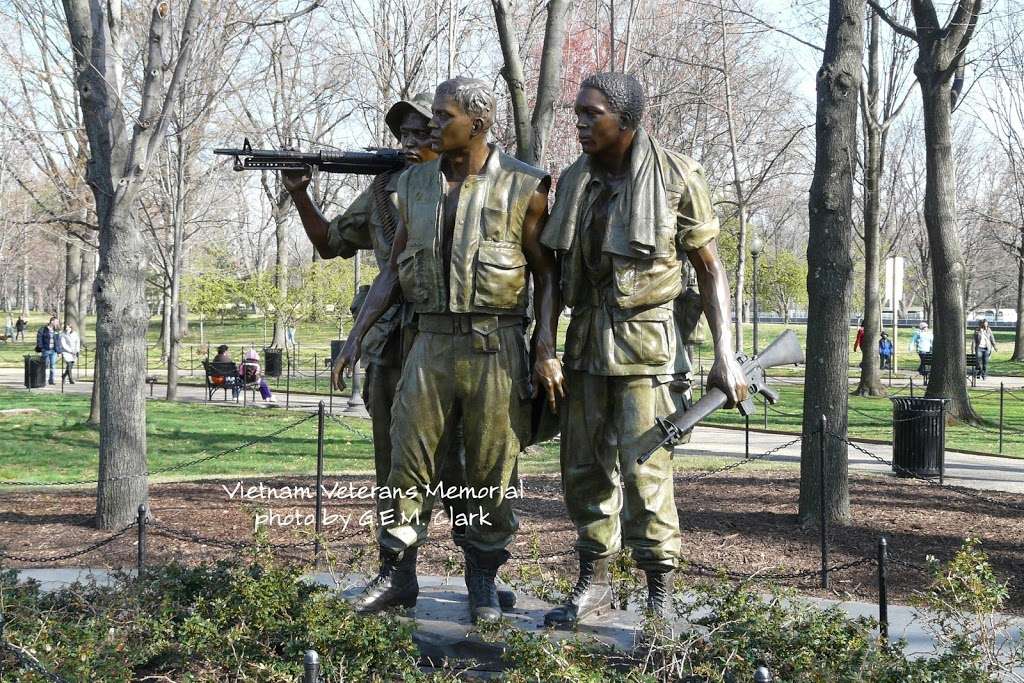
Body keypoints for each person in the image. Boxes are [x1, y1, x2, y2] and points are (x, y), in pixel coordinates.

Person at [334, 77, 562, 623]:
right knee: (405, 464)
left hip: (495, 347)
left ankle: (482, 579)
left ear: (477, 124)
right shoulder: (410, 186)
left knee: (489, 468)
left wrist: (544, 345)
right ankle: (397, 574)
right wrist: (356, 336)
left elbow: (547, 275)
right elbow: (392, 270)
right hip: (428, 344)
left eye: (443, 115)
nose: (432, 125)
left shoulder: (526, 187)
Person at [540, 73, 748, 625]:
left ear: (626, 121)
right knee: (584, 469)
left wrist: (725, 352)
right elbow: (555, 276)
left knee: (645, 471)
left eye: (592, 114)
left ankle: (659, 590)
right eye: (577, 112)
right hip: (584, 344)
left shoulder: (678, 175)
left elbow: (710, 270)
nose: (580, 122)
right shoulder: (575, 181)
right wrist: (544, 345)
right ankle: (594, 579)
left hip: (646, 348)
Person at [35, 316, 59, 385]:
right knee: (44, 365)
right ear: (52, 322)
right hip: (45, 350)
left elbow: (57, 341)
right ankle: (42, 380)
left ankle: (51, 380)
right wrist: (41, 348)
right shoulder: (43, 329)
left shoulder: (56, 330)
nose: (57, 323)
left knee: (53, 365)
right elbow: (39, 339)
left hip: (53, 350)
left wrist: (59, 351)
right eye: (56, 322)